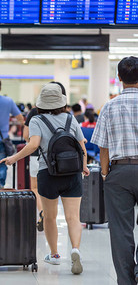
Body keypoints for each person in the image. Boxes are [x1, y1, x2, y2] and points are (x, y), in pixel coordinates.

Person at [0, 82, 89, 275]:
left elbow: (33, 145)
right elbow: (81, 145)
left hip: (48, 173)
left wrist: (13, 159)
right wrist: (84, 166)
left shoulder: (37, 120)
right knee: (73, 217)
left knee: (50, 217)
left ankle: (55, 254)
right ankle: (75, 249)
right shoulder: (70, 119)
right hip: (72, 173)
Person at [91, 56, 138, 285]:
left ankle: (126, 281)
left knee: (120, 231)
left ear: (119, 78)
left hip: (118, 173)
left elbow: (103, 146)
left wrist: (105, 173)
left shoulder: (109, 106)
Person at [24, 81, 68, 232]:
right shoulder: (66, 115)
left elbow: (26, 136)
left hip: (38, 157)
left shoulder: (34, 113)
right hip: (62, 160)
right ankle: (52, 218)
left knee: (36, 187)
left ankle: (43, 212)